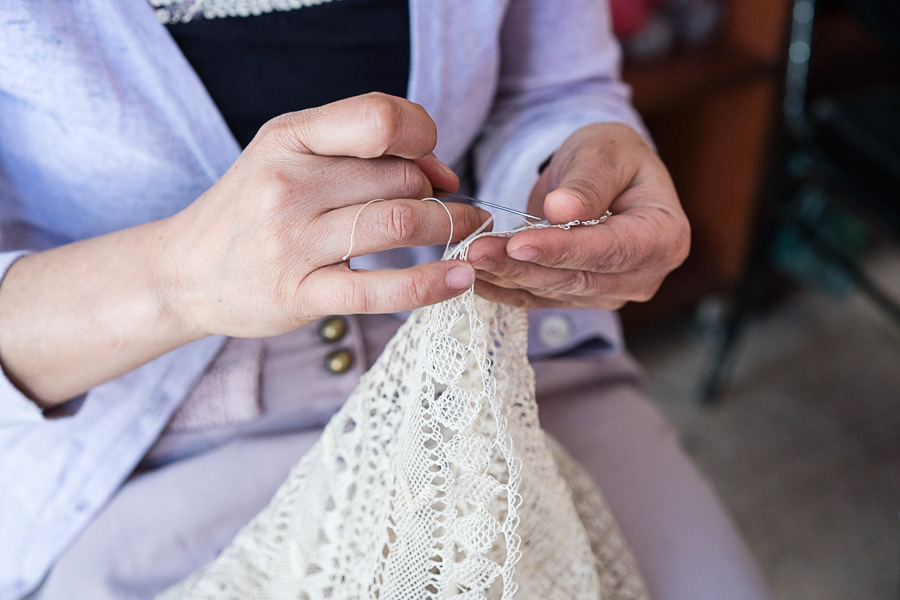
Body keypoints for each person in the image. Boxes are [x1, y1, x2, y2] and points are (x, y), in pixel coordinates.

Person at [0, 1, 770, 599]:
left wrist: (573, 173)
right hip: (141, 449)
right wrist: (178, 277)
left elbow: (555, 89)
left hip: (499, 371)